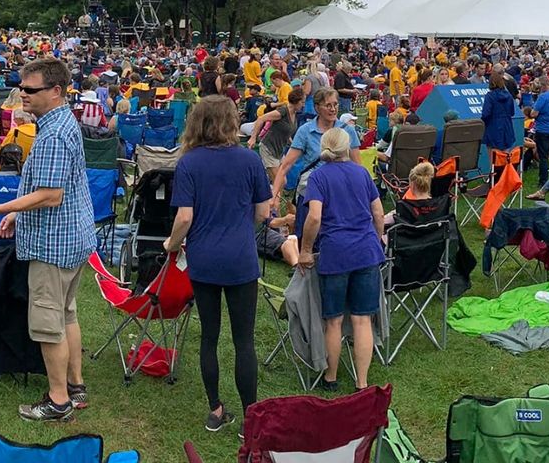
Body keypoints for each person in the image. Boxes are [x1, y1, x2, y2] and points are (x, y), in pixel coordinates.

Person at [0, 56, 97, 423]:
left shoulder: (54, 135)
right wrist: (18, 213)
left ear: (56, 91)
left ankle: (58, 401)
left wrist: (2, 208)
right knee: (67, 313)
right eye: (21, 87)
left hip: (54, 244)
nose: (22, 94)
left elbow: (50, 195)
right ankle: (75, 385)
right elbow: (53, 188)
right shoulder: (61, 123)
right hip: (73, 237)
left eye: (30, 89)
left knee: (47, 324)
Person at [163, 95, 272, 432]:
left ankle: (216, 408)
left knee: (209, 335)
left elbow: (184, 217)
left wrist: (171, 244)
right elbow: (263, 212)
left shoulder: (189, 163)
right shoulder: (249, 159)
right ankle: (250, 417)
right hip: (240, 257)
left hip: (205, 258)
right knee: (244, 340)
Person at [297, 125, 388, 392]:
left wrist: (305, 250)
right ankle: (362, 382)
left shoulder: (318, 177)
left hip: (335, 253)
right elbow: (378, 213)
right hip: (365, 251)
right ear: (347, 147)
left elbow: (314, 217)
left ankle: (331, 377)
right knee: (362, 319)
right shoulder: (362, 173)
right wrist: (376, 239)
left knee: (334, 320)